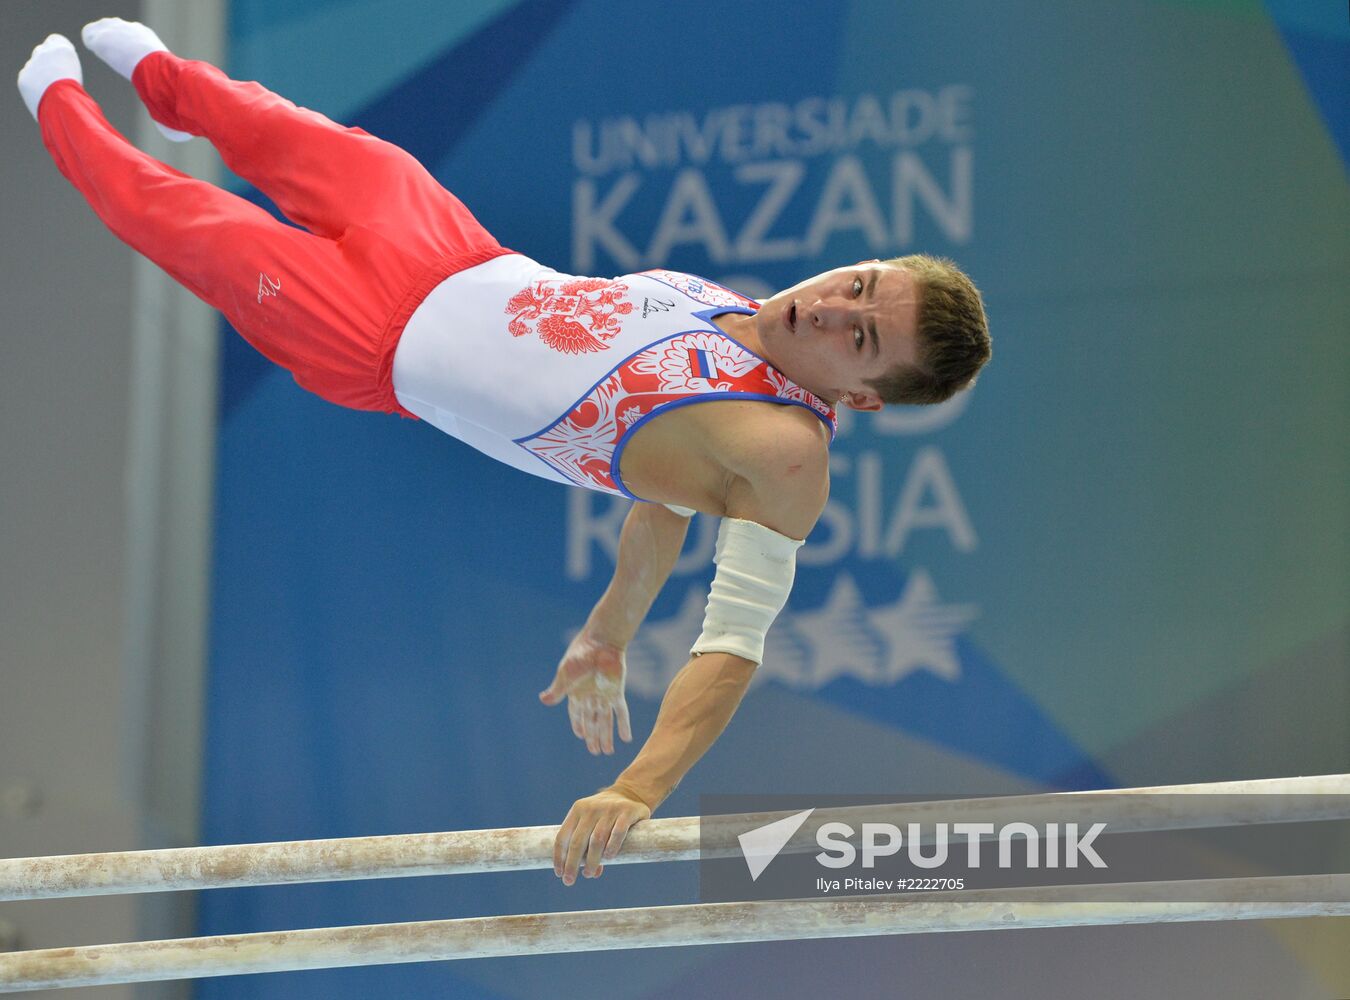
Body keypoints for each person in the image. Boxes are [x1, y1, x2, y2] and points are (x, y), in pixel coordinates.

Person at [19, 20, 991, 887]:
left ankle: (57, 106)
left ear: (861, 395)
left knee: (179, 217)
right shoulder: (728, 308)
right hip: (455, 248)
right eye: (860, 282)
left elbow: (731, 647)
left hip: (372, 341)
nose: (830, 305)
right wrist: (609, 630)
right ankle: (163, 81)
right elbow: (664, 500)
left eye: (858, 336)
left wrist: (637, 787)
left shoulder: (786, 454)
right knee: (281, 129)